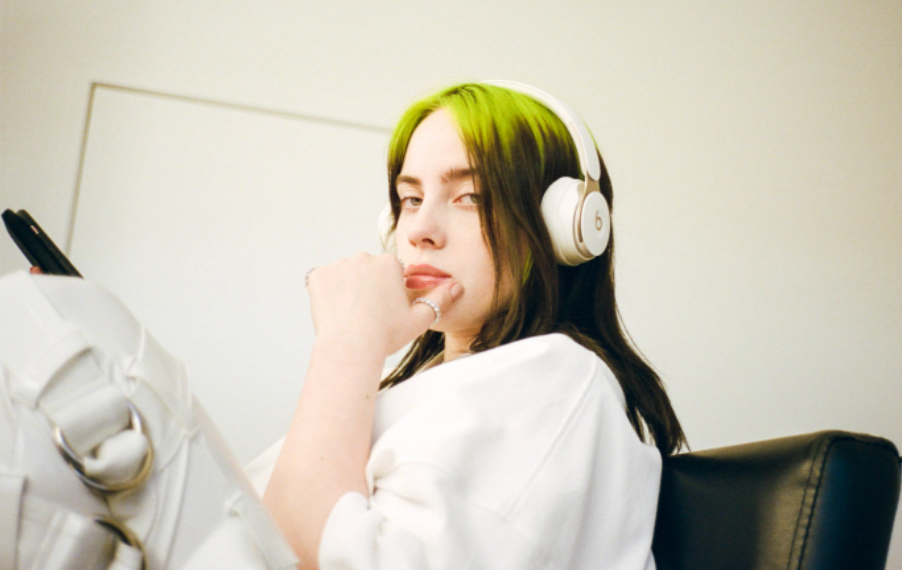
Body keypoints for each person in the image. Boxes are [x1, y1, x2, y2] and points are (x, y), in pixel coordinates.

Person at [252, 81, 686, 570]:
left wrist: (347, 343)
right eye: (410, 199)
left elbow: (296, 554)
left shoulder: (557, 377)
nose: (419, 230)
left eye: (471, 197)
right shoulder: (411, 387)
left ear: (565, 224)